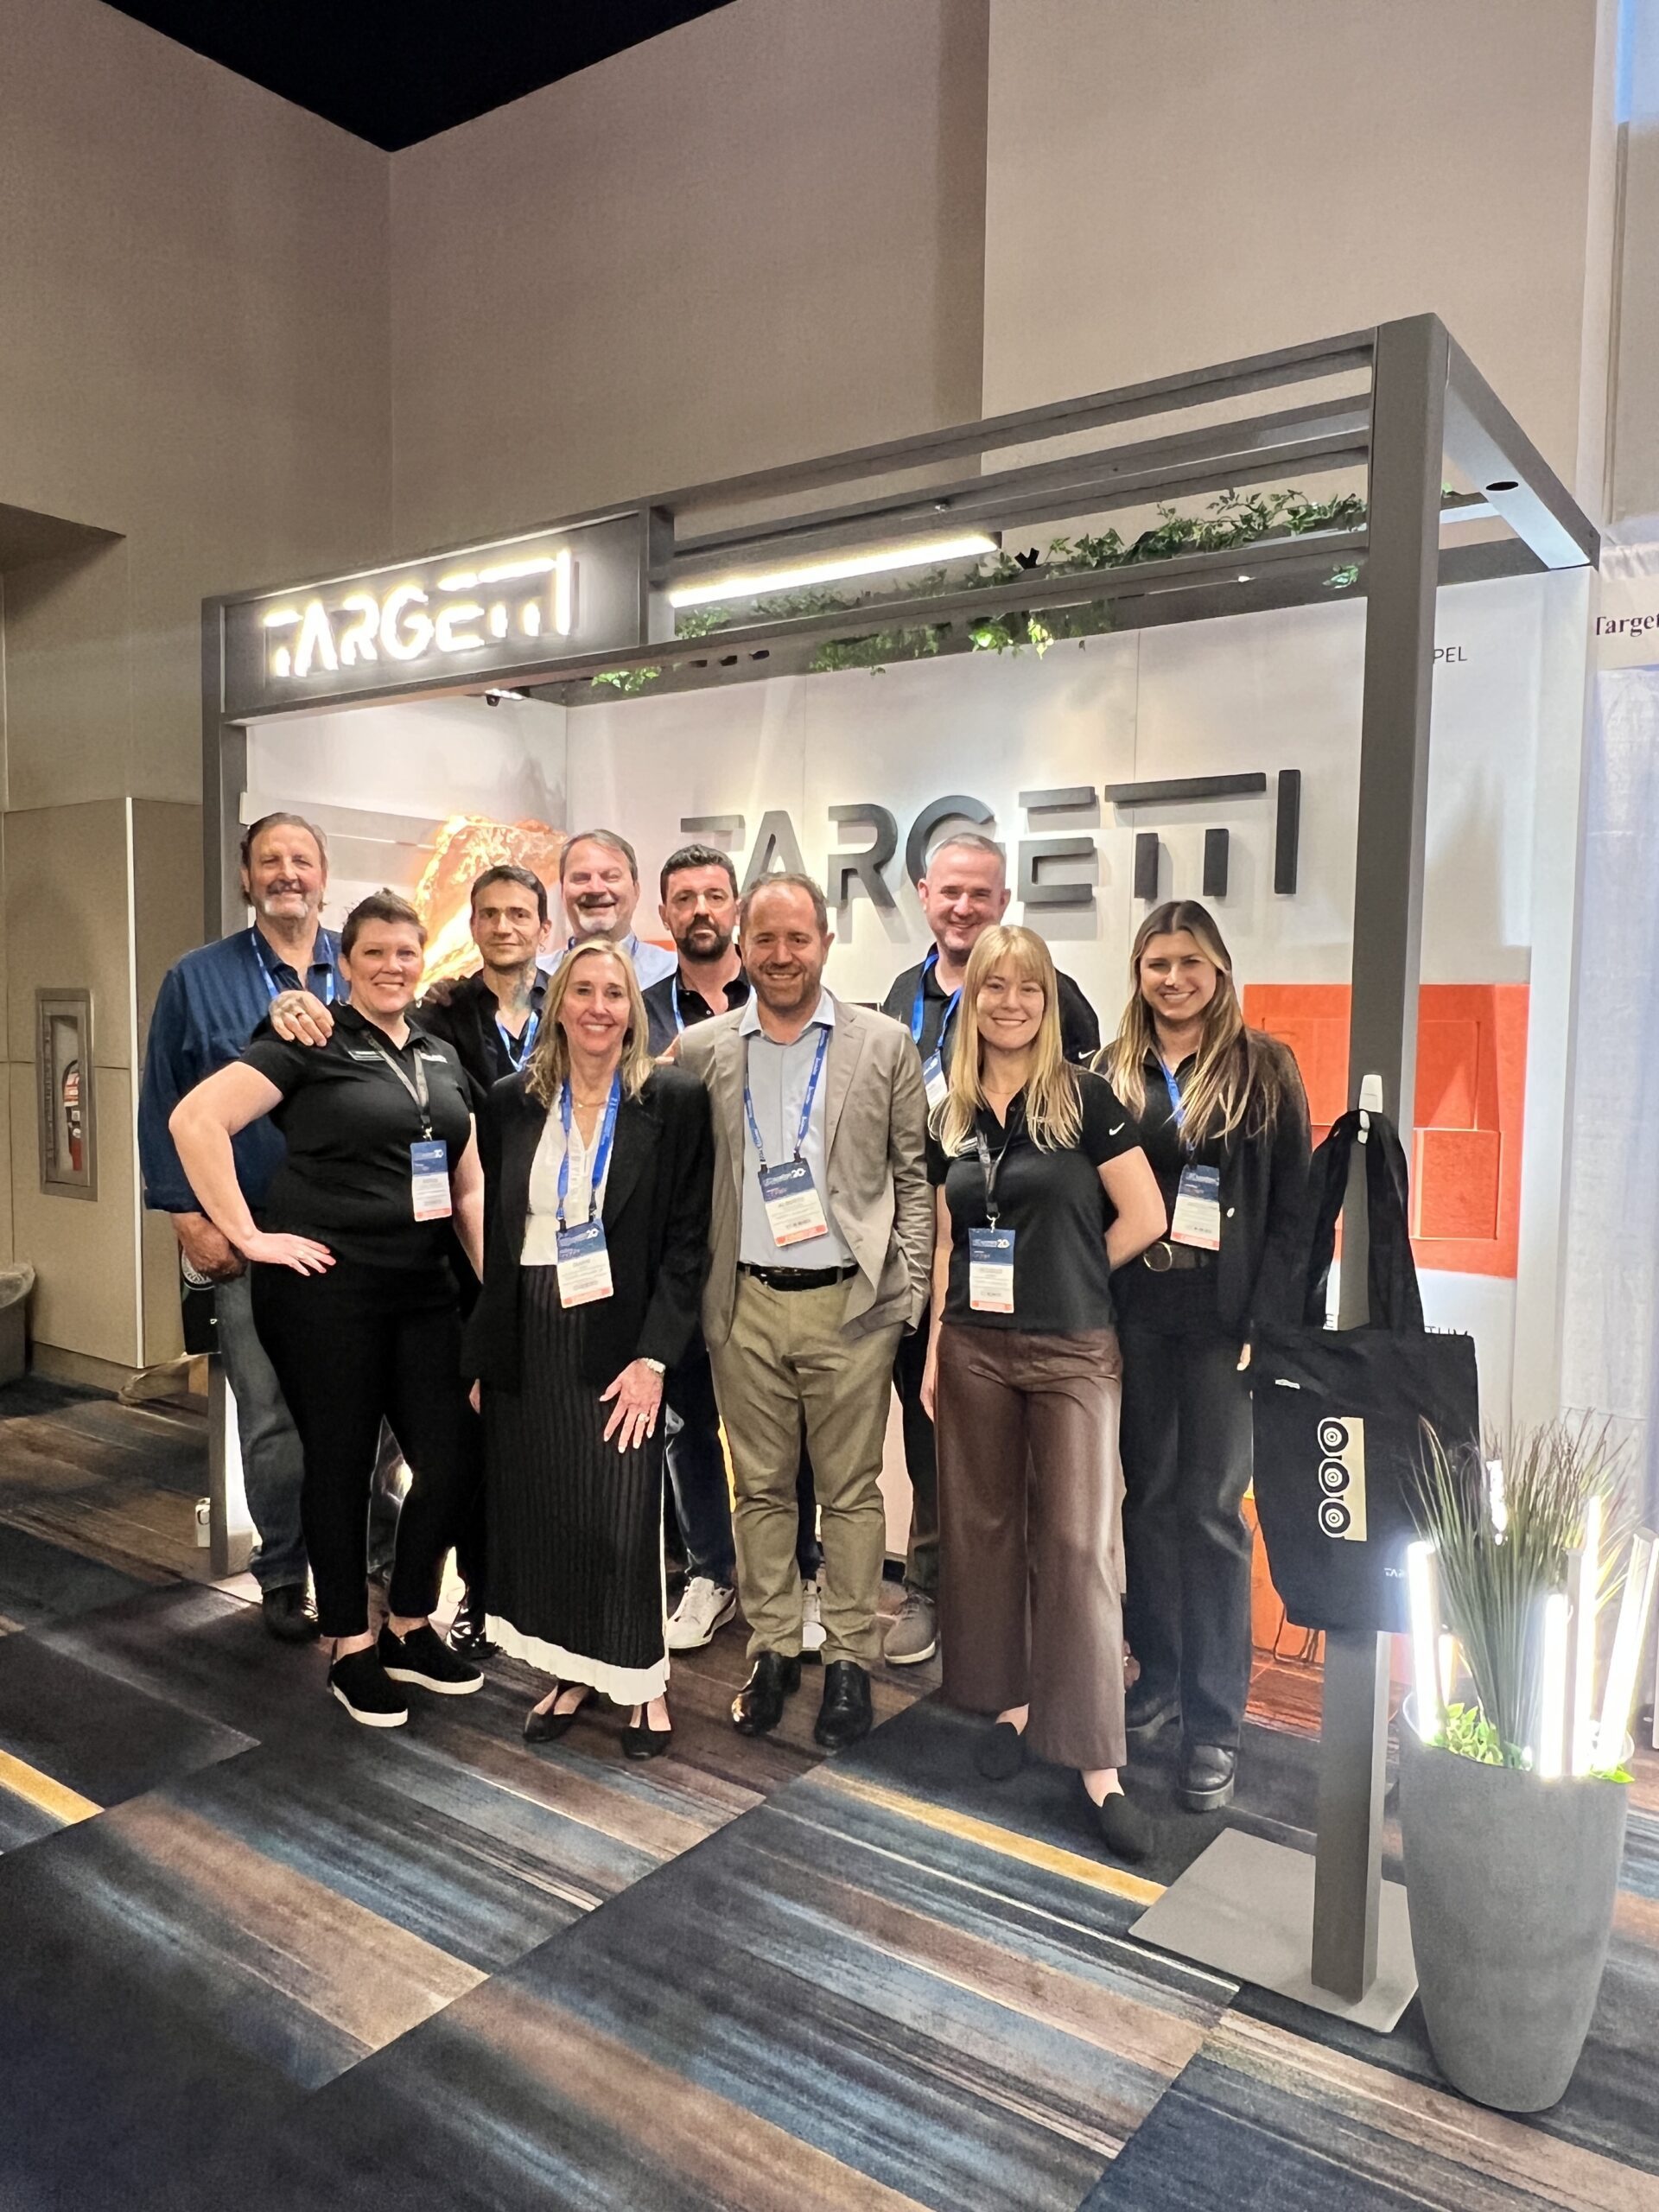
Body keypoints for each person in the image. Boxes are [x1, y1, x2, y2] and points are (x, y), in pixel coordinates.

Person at [168, 891, 487, 1727]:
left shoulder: (439, 1053)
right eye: (374, 952)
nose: (392, 966)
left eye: (405, 952)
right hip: (326, 1290)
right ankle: (350, 1645)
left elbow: (467, 1186)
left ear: (422, 960)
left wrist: (492, 1294)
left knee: (454, 1459)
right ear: (345, 964)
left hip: (424, 1290)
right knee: (340, 1466)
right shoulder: (307, 1039)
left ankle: (409, 1622)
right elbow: (195, 1120)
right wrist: (248, 1235)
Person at [920, 924, 1165, 1860]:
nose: (1012, 1002)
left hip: (1072, 1350)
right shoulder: (950, 1111)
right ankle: (1017, 1704)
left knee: (1077, 1544)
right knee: (990, 1533)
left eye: (1030, 987)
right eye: (995, 987)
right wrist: (937, 1348)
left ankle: (1098, 1763)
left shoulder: (1085, 1099)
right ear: (972, 1000)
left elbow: (1146, 1214)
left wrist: (1076, 1273)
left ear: (1050, 1001)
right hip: (974, 1346)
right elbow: (949, 1238)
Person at [678, 874, 931, 1751]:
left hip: (850, 1307)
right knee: (759, 1490)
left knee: (852, 1495)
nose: (781, 955)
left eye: (798, 938)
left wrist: (905, 1294)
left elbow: (911, 1180)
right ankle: (774, 1648)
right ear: (741, 947)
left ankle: (851, 1658)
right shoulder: (701, 1049)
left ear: (825, 942)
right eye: (765, 939)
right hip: (743, 1305)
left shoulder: (883, 1043)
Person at [465, 939, 713, 1758]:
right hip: (530, 1328)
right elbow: (498, 1232)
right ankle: (571, 1671)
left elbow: (688, 1243)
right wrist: (487, 1350)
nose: (598, 1007)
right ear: (558, 1006)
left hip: (620, 1333)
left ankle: (643, 1682)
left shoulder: (673, 1101)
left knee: (621, 1518)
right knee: (548, 1512)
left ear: (632, 1010)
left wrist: (654, 1358)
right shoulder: (511, 1101)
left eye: (614, 993)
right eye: (582, 991)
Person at [1098, 899, 1311, 1813]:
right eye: (1158, 964)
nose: (1174, 979)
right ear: (1138, 974)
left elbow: (1299, 1208)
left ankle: (1215, 1722)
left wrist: (1275, 1316)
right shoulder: (1110, 1069)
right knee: (1146, 1501)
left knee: (1214, 1510)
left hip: (1227, 1320)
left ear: (1218, 970)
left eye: (1190, 962)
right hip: (1138, 1310)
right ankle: (1158, 1679)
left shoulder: (1264, 1066)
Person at [878, 830, 1101, 1668]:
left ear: (1004, 901)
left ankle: (1033, 1619)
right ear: (925, 896)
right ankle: (929, 1588)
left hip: (1034, 1278)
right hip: (937, 1252)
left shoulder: (1057, 997)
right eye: (950, 892)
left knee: (1036, 1466)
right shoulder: (901, 996)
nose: (963, 907)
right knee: (930, 1432)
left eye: (981, 893)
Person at [138, 810, 342, 1642]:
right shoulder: (197, 979)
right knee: (269, 1416)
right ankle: (284, 1572)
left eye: (301, 860)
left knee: (368, 1411)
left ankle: (368, 1549)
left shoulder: (361, 969)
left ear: (324, 876)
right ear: (246, 878)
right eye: (270, 861)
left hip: (354, 1238)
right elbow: (163, 1102)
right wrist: (189, 1217)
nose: (287, 873)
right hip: (249, 1233)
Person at [643, 844, 823, 1656]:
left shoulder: (786, 997)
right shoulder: (638, 1010)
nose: (701, 911)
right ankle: (710, 1572)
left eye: (715, 895)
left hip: (776, 1253)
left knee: (793, 1430)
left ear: (739, 914)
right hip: (684, 1255)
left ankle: (801, 1571)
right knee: (687, 1422)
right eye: (684, 899)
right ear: (665, 914)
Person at [549, 829, 676, 988]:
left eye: (611, 877)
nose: (596, 889)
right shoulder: (538, 979)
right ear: (562, 892)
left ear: (636, 890)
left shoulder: (673, 973)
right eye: (581, 878)